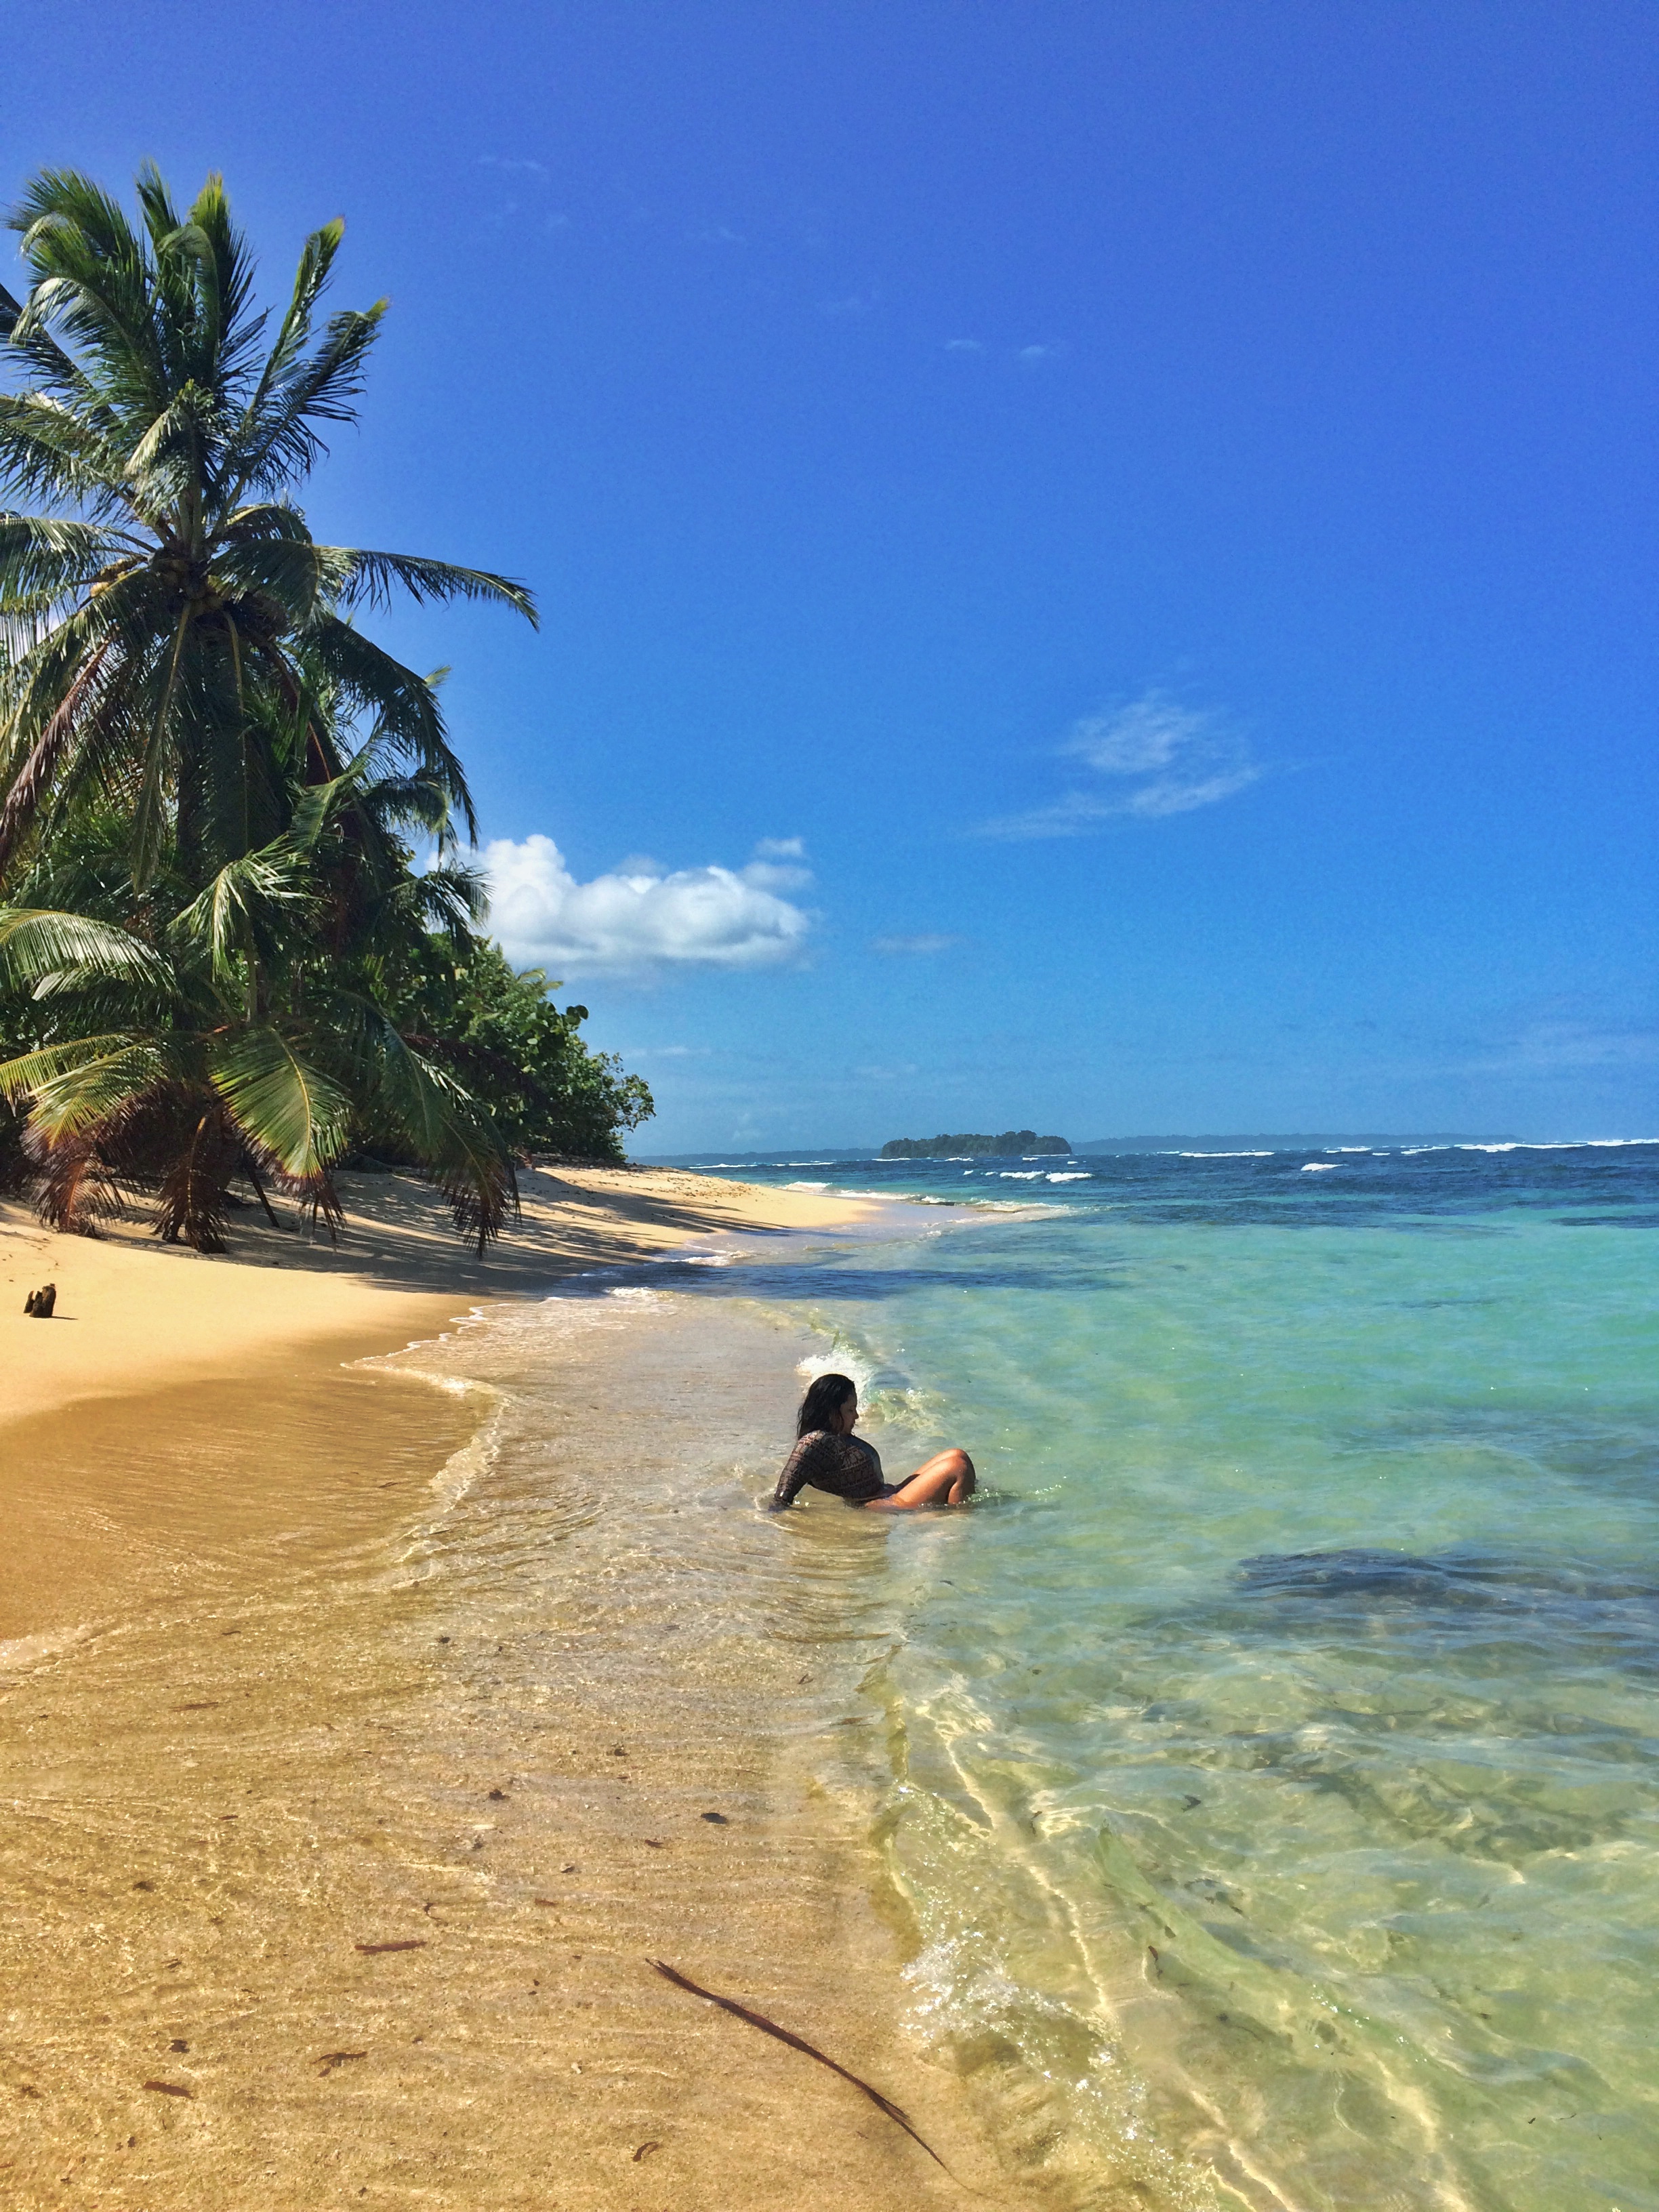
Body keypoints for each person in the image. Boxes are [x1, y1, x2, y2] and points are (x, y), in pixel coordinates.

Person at [769, 1372, 976, 1511]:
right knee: (958, 1468)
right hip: (878, 1507)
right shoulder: (813, 1442)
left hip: (889, 1494)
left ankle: (953, 1511)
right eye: (850, 1410)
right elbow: (782, 1496)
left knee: (957, 1455)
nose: (856, 1416)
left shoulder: (838, 1436)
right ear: (832, 1413)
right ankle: (956, 1530)